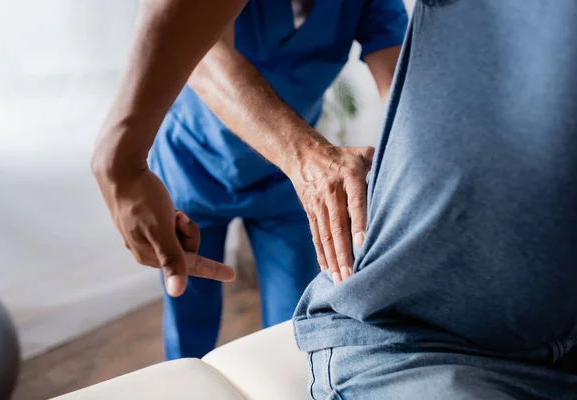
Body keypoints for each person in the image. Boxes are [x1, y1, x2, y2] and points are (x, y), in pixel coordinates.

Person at [92, 0, 408, 359]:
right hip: (193, 168)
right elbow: (200, 54)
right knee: (187, 314)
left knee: (292, 330)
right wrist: (308, 158)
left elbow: (404, 92)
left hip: (284, 184)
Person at [293, 0, 577, 398]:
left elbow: (401, 94)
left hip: (556, 331)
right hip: (415, 343)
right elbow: (197, 37)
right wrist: (305, 153)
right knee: (195, 304)